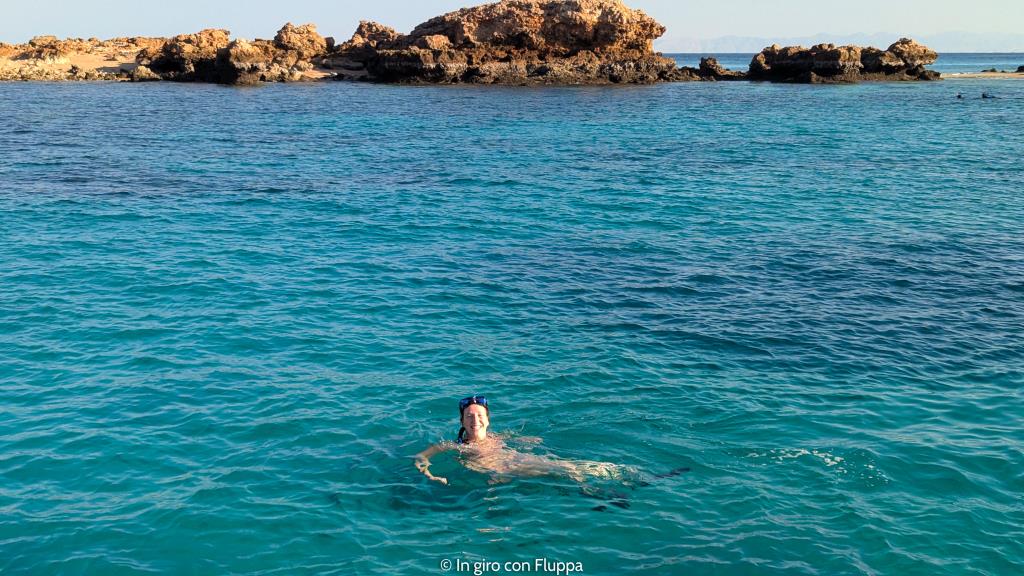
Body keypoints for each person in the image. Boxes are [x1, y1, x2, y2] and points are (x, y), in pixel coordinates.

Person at [414, 395, 661, 487]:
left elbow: (509, 439)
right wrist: (431, 475)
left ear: (488, 420)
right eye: (469, 416)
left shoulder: (497, 437)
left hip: (515, 461)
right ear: (462, 421)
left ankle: (624, 477)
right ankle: (623, 481)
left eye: (479, 416)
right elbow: (420, 457)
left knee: (570, 468)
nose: (474, 420)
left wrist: (524, 439)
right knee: (566, 471)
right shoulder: (454, 446)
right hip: (503, 470)